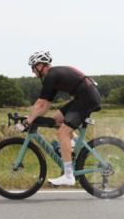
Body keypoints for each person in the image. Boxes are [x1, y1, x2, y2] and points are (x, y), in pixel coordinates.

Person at [17, 50, 101, 186]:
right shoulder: (53, 76)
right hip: (83, 97)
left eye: (33, 67)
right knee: (55, 120)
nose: (32, 71)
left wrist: (27, 121)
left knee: (62, 132)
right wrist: (31, 117)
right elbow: (44, 105)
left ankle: (68, 176)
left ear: (40, 65)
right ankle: (72, 144)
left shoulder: (51, 76)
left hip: (87, 99)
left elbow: (41, 104)